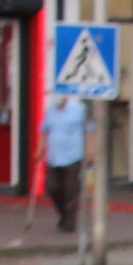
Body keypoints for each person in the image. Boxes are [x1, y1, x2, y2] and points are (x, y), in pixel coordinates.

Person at [40, 93, 88, 235]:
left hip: (73, 155)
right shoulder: (50, 111)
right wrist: (40, 148)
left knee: (71, 189)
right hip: (54, 157)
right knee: (52, 187)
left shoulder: (79, 110)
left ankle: (70, 221)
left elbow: (89, 130)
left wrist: (90, 148)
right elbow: (44, 131)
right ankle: (63, 214)